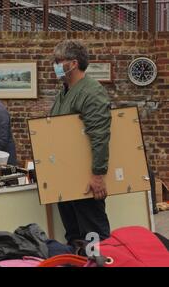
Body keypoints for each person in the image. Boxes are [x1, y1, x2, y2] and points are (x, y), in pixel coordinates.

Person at [50, 40, 111, 244]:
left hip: (85, 180)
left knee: (94, 237)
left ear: (73, 63)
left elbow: (99, 135)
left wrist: (98, 174)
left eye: (58, 61)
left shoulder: (91, 92)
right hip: (66, 177)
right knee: (74, 237)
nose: (55, 65)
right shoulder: (63, 93)